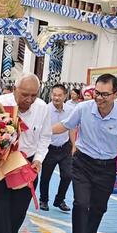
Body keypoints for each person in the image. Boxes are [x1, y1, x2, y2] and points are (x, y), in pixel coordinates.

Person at [52, 74, 117, 233]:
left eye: (104, 94)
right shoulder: (83, 108)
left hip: (107, 166)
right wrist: (38, 130)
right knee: (81, 204)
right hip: (83, 163)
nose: (99, 98)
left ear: (116, 94)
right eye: (97, 93)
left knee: (99, 207)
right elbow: (64, 126)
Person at [0, 74, 51, 233]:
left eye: (33, 95)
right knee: (2, 208)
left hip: (27, 165)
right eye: (24, 95)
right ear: (14, 89)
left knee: (18, 211)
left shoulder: (42, 108)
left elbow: (45, 138)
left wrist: (38, 160)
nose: (29, 100)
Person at [39, 84, 75, 212]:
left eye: (59, 95)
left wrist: (74, 145)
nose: (56, 98)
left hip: (65, 148)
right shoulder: (45, 109)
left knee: (68, 175)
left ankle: (60, 200)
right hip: (49, 148)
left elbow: (72, 128)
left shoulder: (71, 110)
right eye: (54, 95)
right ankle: (43, 200)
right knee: (45, 177)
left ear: (65, 96)